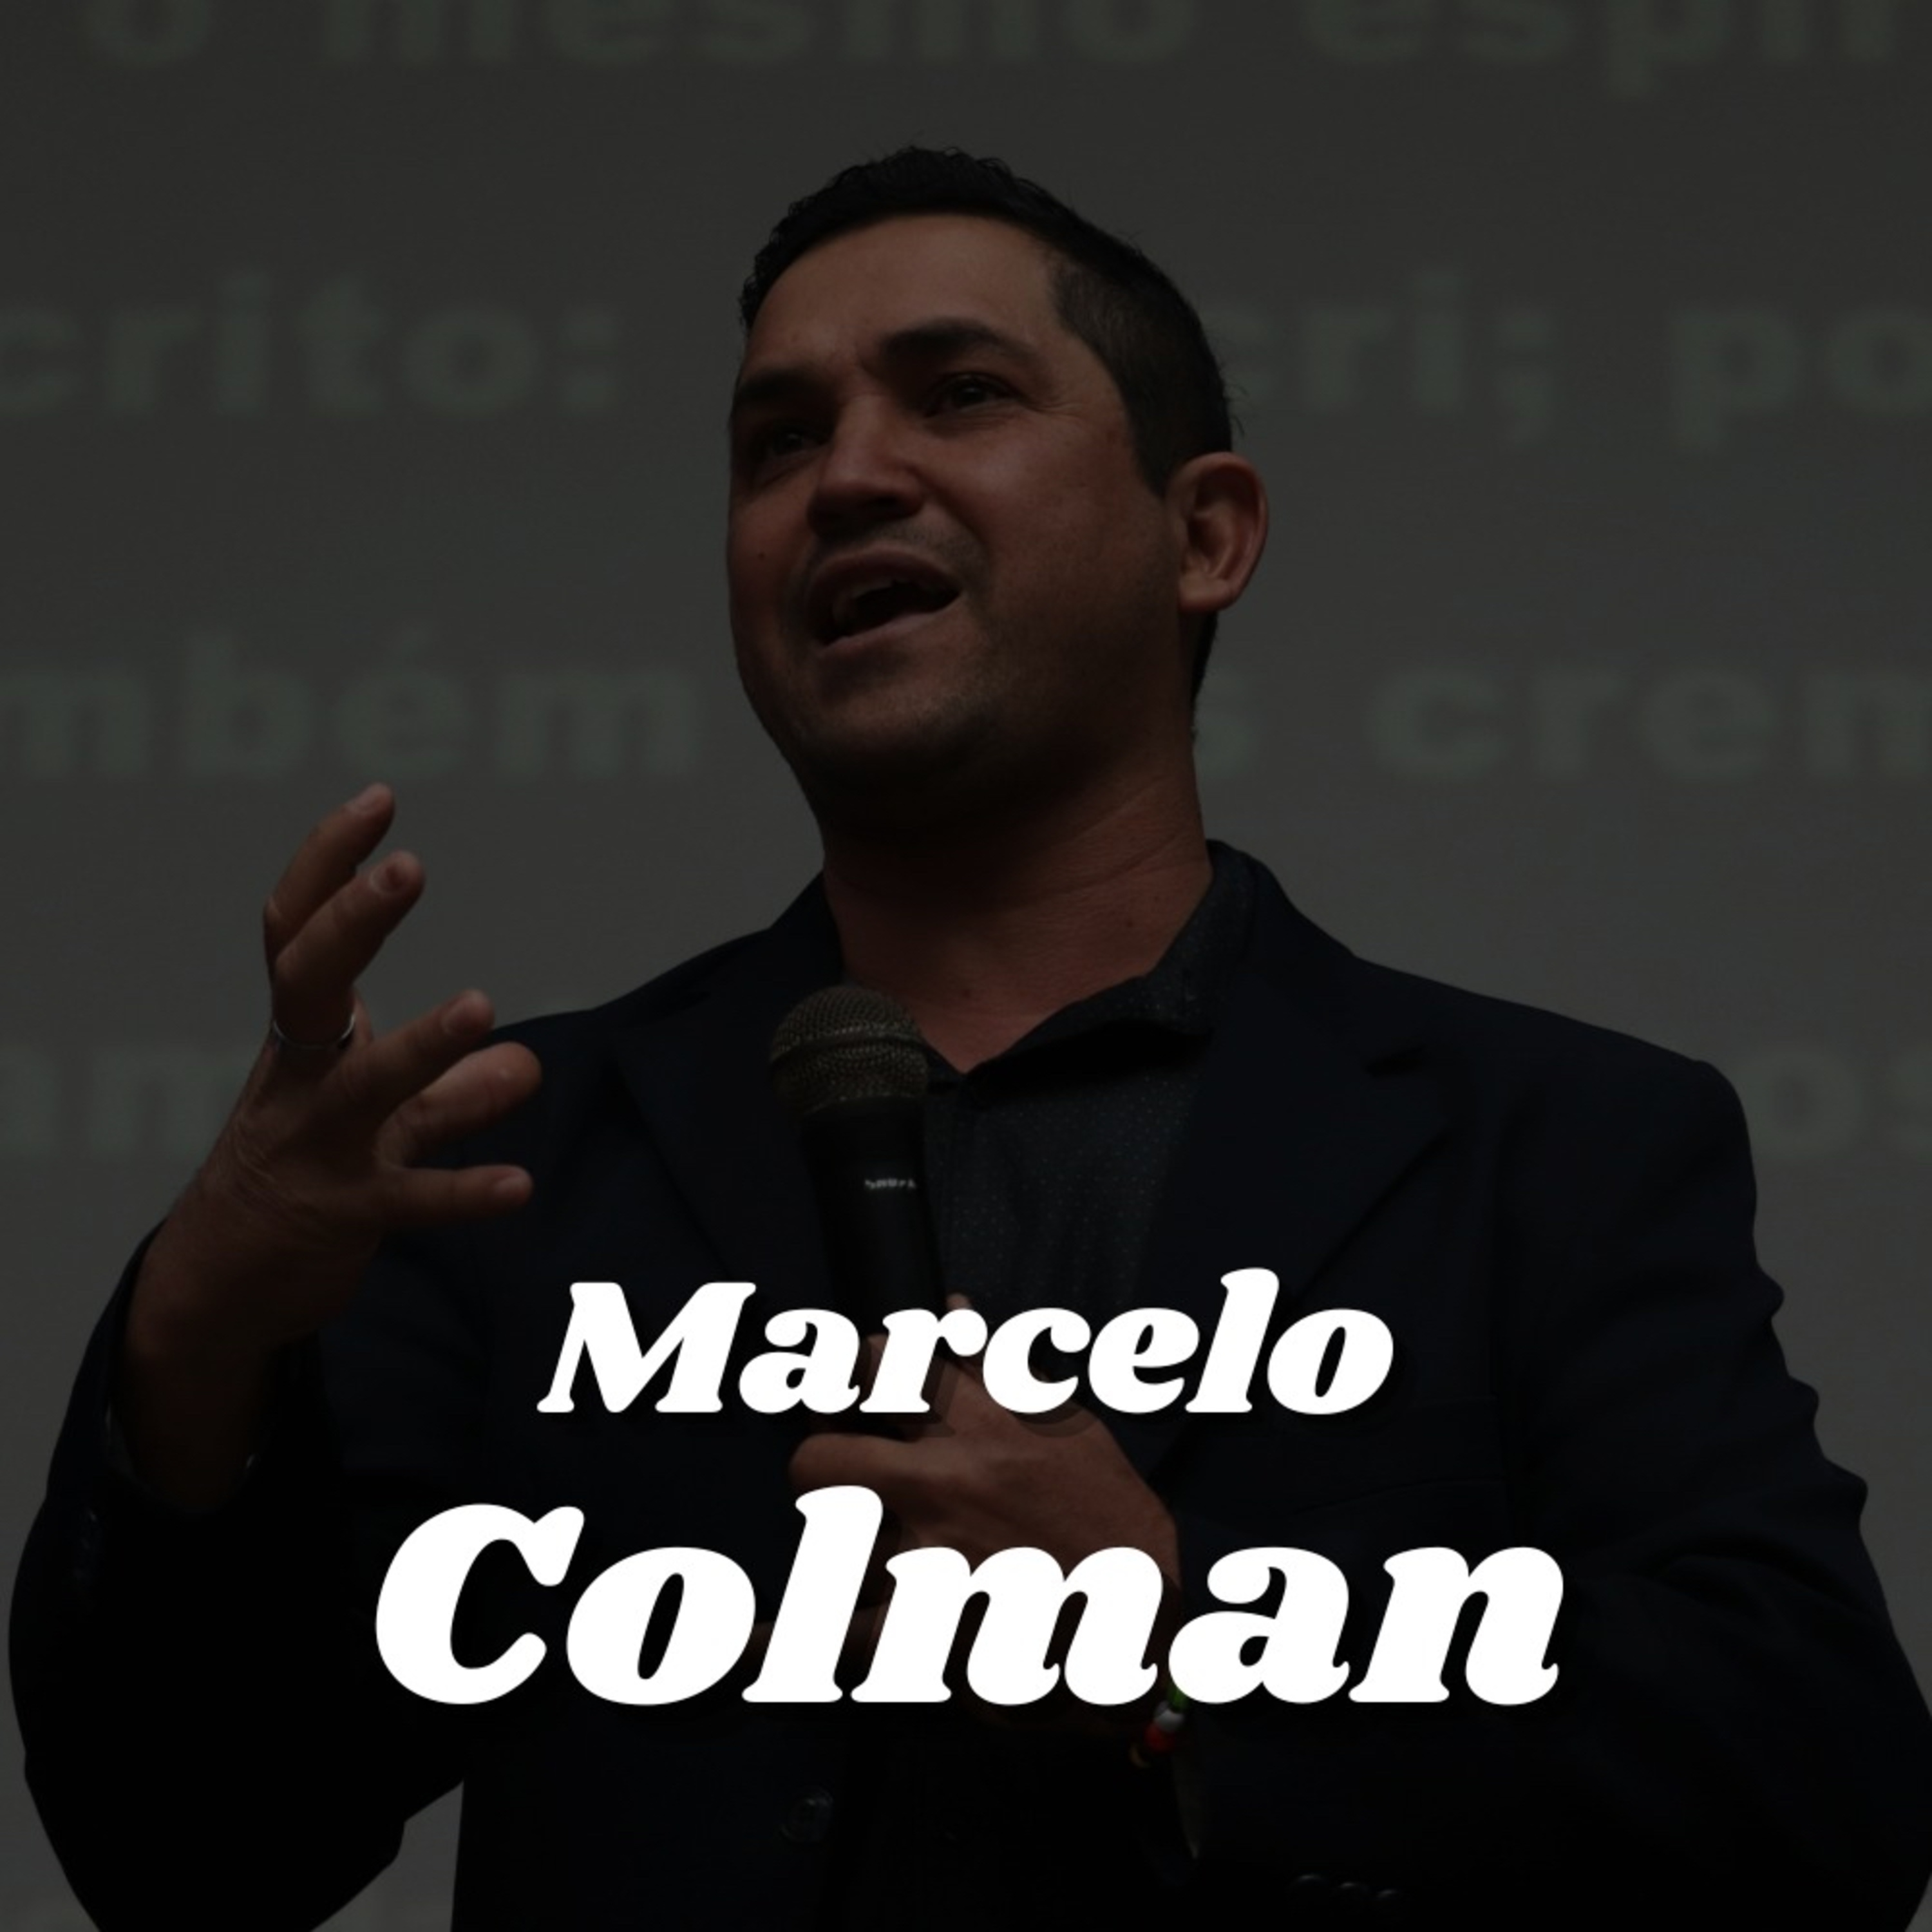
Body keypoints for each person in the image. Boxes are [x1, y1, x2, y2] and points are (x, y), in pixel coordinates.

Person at [14, 147, 1932, 1931]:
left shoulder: (1554, 1143)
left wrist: (1185, 1632)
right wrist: (195, 1338)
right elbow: (191, 1858)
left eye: (958, 395)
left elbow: (1819, 1800)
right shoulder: (513, 1162)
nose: (848, 475)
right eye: (779, 439)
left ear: (1206, 534)